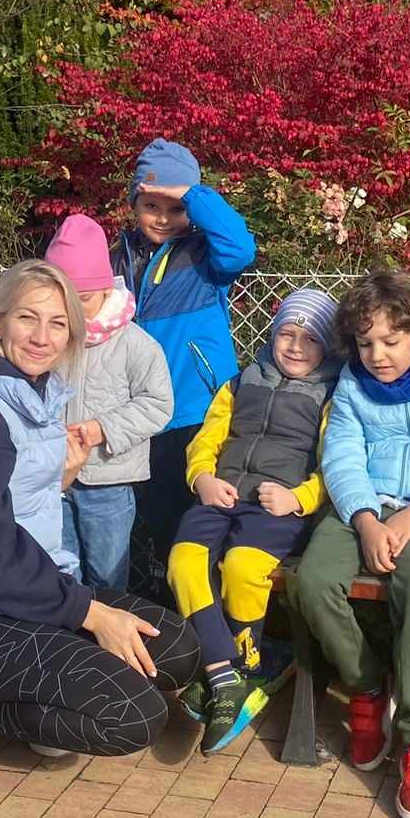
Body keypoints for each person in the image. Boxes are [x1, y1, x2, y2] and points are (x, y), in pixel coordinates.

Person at [0, 259, 200, 806]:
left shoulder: (28, 393)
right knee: (131, 714)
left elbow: (15, 511)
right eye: (28, 318)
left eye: (58, 324)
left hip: (10, 593)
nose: (42, 337)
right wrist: (90, 615)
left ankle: (43, 701)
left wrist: (62, 481)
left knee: (175, 650)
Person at [291, 271, 410, 818]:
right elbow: (341, 455)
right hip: (361, 507)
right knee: (312, 581)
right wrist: (365, 518)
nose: (377, 355)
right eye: (365, 343)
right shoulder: (351, 385)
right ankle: (366, 685)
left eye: (391, 341)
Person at [169, 286, 341, 755]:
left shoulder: (331, 395)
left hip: (277, 507)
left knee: (244, 566)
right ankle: (231, 674)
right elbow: (207, 438)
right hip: (219, 495)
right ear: (272, 334)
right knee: (184, 562)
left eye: (311, 339)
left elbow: (334, 465)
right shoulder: (240, 382)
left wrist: (298, 498)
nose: (296, 347)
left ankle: (237, 666)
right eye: (287, 334)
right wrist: (202, 477)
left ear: (328, 346)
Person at [109, 138, 256, 593]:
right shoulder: (119, 256)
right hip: (141, 409)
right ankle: (168, 601)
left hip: (195, 407)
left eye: (175, 208)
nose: (163, 218)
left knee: (198, 514)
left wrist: (191, 193)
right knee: (157, 512)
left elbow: (241, 248)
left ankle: (207, 602)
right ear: (134, 204)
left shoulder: (204, 257)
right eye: (151, 206)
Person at [45, 214, 172, 591]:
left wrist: (104, 428)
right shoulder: (49, 339)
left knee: (107, 573)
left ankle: (111, 624)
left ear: (104, 289)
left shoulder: (135, 344)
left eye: (81, 299)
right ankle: (69, 627)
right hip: (54, 475)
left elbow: (157, 404)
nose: (72, 309)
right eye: (63, 299)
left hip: (108, 480)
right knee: (61, 569)